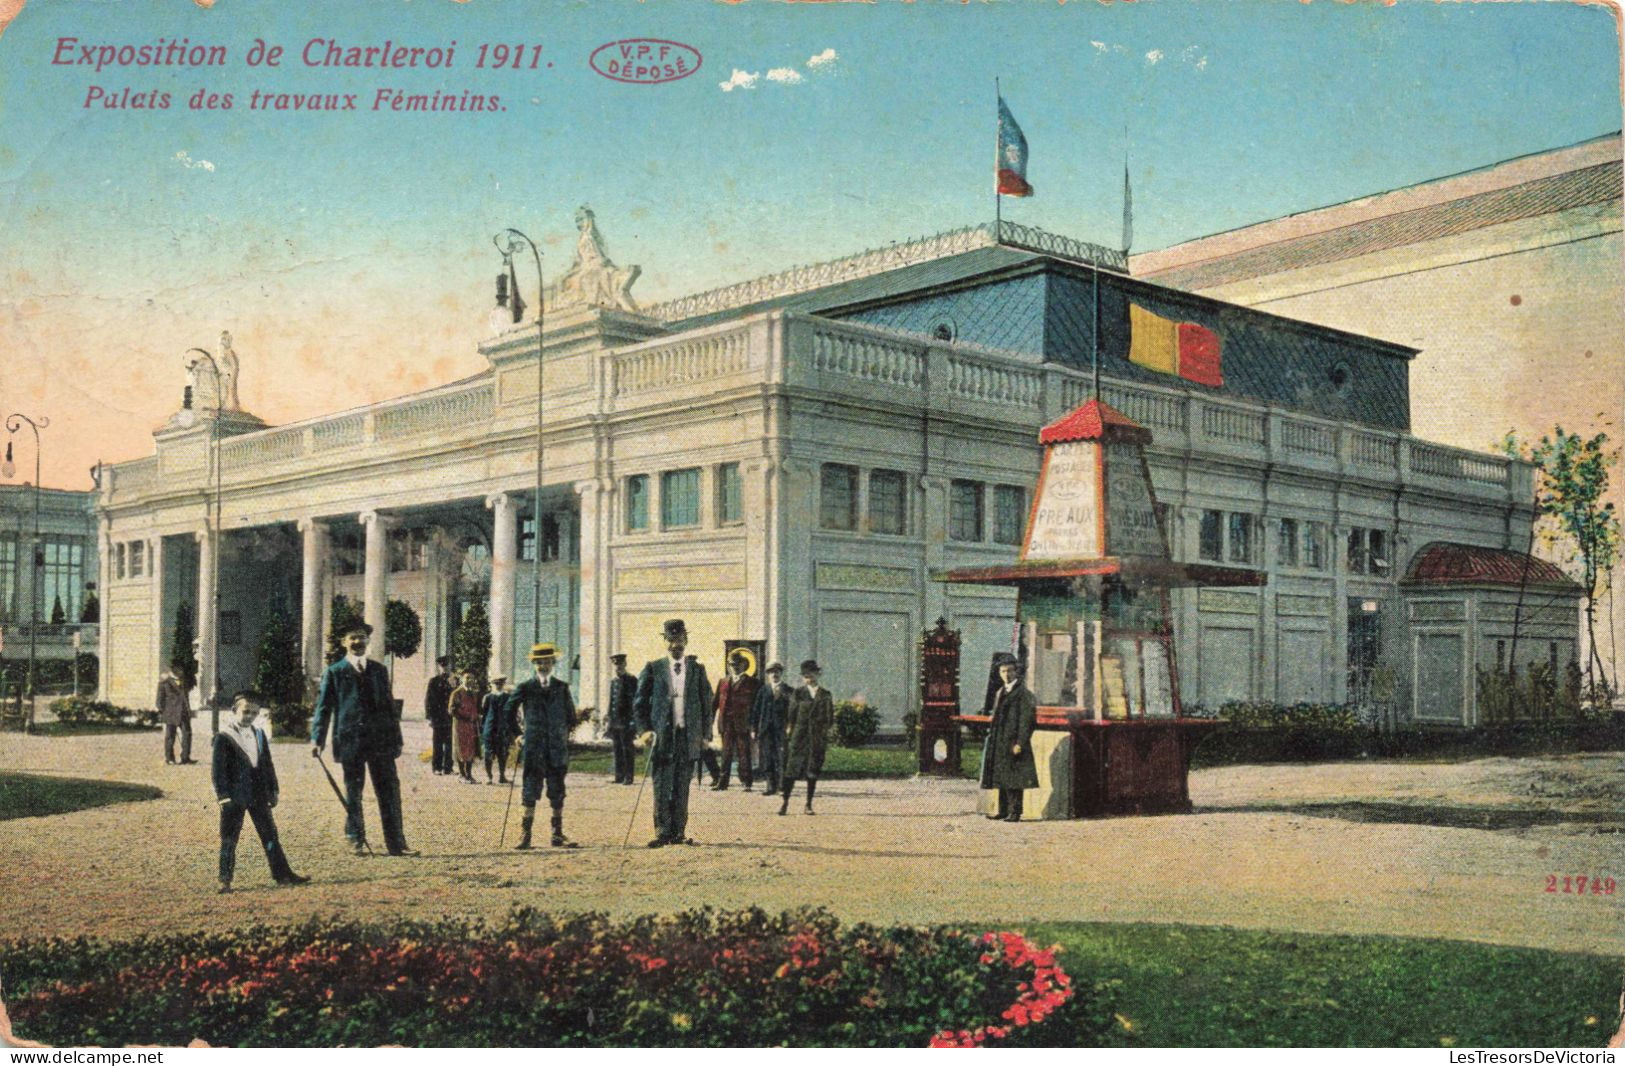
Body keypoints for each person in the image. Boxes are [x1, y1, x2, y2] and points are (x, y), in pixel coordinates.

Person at [310, 619, 418, 857]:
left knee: (389, 791)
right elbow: (324, 708)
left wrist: (397, 739)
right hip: (351, 742)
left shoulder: (379, 670)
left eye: (362, 637)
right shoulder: (335, 672)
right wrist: (317, 739)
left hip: (380, 743)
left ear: (368, 641)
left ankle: (397, 844)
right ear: (344, 642)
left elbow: (389, 708)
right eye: (352, 637)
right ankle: (355, 839)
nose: (358, 641)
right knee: (354, 792)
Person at [212, 690, 309, 893]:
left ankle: (282, 874)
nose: (250, 717)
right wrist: (223, 797)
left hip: (258, 794)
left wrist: (273, 789)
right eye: (246, 712)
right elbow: (218, 771)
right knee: (229, 838)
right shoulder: (224, 737)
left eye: (254, 713)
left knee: (270, 835)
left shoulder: (259, 734)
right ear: (234, 711)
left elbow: (267, 764)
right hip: (235, 797)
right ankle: (225, 879)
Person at [633, 618, 714, 847]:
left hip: (688, 738)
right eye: (671, 640)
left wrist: (705, 735)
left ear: (686, 640)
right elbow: (639, 703)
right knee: (662, 785)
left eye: (679, 640)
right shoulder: (653, 668)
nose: (675, 645)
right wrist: (644, 730)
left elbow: (706, 703)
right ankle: (662, 832)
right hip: (662, 739)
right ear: (665, 641)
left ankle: (678, 832)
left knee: (681, 786)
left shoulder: (697, 670)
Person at [512, 643, 579, 850]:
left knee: (557, 790)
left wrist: (562, 734)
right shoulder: (525, 687)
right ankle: (526, 835)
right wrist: (517, 734)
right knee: (530, 790)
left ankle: (557, 834)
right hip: (533, 748)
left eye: (547, 661)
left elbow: (571, 716)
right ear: (534, 663)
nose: (543, 665)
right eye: (539, 662)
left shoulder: (561, 687)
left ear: (553, 663)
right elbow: (508, 711)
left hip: (556, 749)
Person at [980, 651, 1038, 823]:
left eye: (1010, 671)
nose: (1007, 675)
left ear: (1016, 672)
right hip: (1000, 740)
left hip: (1013, 741)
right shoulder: (1000, 692)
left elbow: (1026, 721)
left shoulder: (1023, 694)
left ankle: (1015, 811)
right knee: (1001, 776)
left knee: (1014, 778)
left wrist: (1020, 742)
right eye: (1003, 671)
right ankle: (1002, 810)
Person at [779, 660, 834, 816]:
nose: (809, 678)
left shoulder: (825, 695)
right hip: (799, 738)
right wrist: (791, 734)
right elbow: (791, 716)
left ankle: (808, 804)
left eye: (811, 675)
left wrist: (822, 733)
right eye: (805, 676)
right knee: (791, 771)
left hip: (816, 739)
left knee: (812, 771)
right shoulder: (798, 693)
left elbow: (829, 718)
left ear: (817, 674)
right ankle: (785, 803)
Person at [712, 650, 760, 791]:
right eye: (732, 665)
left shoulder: (752, 683)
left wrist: (753, 725)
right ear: (728, 666)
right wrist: (709, 720)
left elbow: (757, 706)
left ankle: (746, 782)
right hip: (726, 724)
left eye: (738, 664)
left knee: (744, 753)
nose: (735, 667)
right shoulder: (723, 682)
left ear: (744, 665)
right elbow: (715, 702)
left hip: (743, 724)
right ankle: (723, 782)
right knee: (726, 753)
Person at [750, 661, 790, 795]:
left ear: (781, 673)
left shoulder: (788, 690)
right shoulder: (763, 690)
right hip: (766, 730)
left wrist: (790, 726)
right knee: (767, 758)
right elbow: (756, 711)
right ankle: (770, 787)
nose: (774, 674)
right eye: (772, 672)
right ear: (768, 675)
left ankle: (782, 787)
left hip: (781, 730)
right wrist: (754, 729)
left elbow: (793, 711)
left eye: (777, 672)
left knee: (781, 758)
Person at [605, 653, 637, 785]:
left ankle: (629, 776)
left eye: (620, 664)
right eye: (616, 665)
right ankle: (619, 775)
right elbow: (612, 701)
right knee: (617, 749)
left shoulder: (631, 680)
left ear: (625, 664)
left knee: (627, 749)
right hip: (615, 721)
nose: (618, 667)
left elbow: (635, 701)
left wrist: (633, 720)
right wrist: (609, 718)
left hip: (626, 721)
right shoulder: (614, 681)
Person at [156, 665, 195, 765]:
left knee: (187, 734)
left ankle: (185, 758)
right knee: (170, 736)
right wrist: (164, 712)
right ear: (174, 670)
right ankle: (169, 758)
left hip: (183, 713)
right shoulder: (164, 683)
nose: (181, 672)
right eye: (180, 669)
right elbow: (159, 701)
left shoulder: (185, 682)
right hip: (171, 714)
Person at [481, 675, 515, 784]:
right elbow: (484, 714)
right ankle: (489, 776)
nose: (498, 686)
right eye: (496, 684)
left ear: (503, 684)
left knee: (503, 753)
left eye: (500, 683)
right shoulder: (488, 697)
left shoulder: (508, 697)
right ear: (492, 685)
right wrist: (484, 729)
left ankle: (502, 776)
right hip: (490, 729)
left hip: (503, 729)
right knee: (488, 753)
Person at [425, 656, 454, 776]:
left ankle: (448, 768)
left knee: (449, 743)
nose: (445, 668)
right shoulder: (434, 681)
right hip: (438, 716)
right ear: (439, 667)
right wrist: (429, 717)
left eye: (446, 665)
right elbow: (428, 700)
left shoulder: (454, 681)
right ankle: (436, 767)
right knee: (437, 743)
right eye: (442, 666)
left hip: (450, 717)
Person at [451, 672, 481, 783]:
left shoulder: (473, 694)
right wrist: (465, 716)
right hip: (460, 725)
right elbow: (452, 710)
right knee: (461, 749)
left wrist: (475, 717)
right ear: (462, 679)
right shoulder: (457, 693)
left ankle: (469, 775)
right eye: (467, 678)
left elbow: (475, 708)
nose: (469, 680)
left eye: (471, 678)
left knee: (470, 749)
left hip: (471, 726)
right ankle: (462, 775)